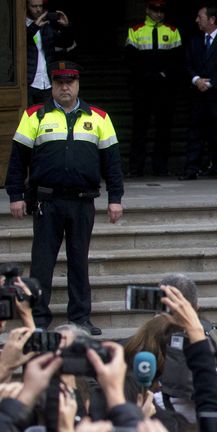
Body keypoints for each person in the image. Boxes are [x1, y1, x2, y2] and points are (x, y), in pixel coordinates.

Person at [4, 61, 125, 335]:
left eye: (70, 81)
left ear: (78, 84)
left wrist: (115, 197)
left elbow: (112, 163)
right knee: (42, 264)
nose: (65, 87)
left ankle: (80, 318)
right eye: (59, 82)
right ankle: (37, 320)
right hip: (47, 201)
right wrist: (16, 194)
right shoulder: (35, 115)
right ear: (53, 86)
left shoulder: (99, 118)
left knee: (79, 261)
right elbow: (17, 160)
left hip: (83, 202)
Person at [180, 4, 217, 181]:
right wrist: (196, 79)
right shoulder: (194, 40)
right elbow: (186, 63)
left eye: (200, 17)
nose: (197, 20)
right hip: (197, 94)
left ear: (211, 20)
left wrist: (211, 82)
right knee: (195, 133)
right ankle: (191, 169)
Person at [125, 0, 182, 177]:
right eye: (155, 10)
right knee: (139, 129)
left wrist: (164, 75)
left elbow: (177, 60)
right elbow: (130, 60)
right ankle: (136, 168)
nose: (159, 14)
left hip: (164, 89)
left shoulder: (172, 31)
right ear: (148, 10)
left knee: (163, 129)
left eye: (162, 11)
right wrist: (145, 76)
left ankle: (161, 167)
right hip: (142, 88)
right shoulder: (135, 31)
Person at [24, 0, 74, 105]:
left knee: (47, 117)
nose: (38, 9)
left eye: (40, 6)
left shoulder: (46, 26)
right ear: (26, 7)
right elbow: (21, 42)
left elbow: (65, 43)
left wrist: (66, 27)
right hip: (28, 82)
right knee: (29, 117)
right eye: (34, 6)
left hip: (46, 81)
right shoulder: (20, 25)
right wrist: (35, 26)